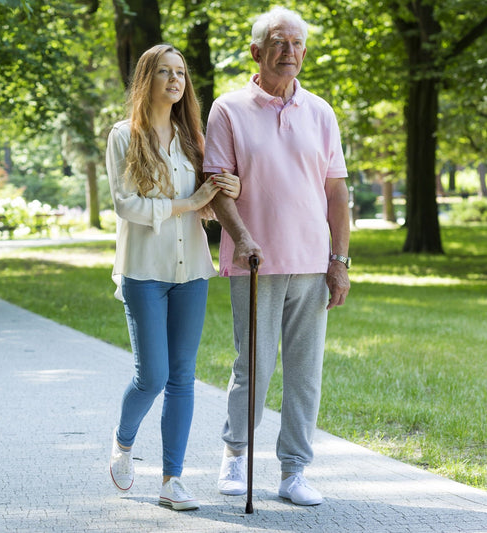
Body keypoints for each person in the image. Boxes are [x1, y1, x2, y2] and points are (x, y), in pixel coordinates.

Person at [203, 7, 351, 506]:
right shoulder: (228, 109)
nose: (289, 52)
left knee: (305, 372)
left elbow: (336, 195)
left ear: (304, 52)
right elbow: (217, 186)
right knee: (255, 365)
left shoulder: (321, 112)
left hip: (311, 262)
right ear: (256, 51)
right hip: (255, 262)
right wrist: (241, 237)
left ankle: (294, 471)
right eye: (278, 42)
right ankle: (235, 456)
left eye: (296, 44)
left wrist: (339, 260)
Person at [106, 43, 240, 511]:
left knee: (183, 377)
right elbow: (126, 205)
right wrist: (188, 203)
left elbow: (207, 207)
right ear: (147, 79)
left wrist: (229, 191)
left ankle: (172, 479)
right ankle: (123, 444)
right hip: (144, 271)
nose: (174, 80)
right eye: (164, 71)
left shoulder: (192, 139)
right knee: (153, 376)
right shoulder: (123, 136)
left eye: (180, 72)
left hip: (192, 274)